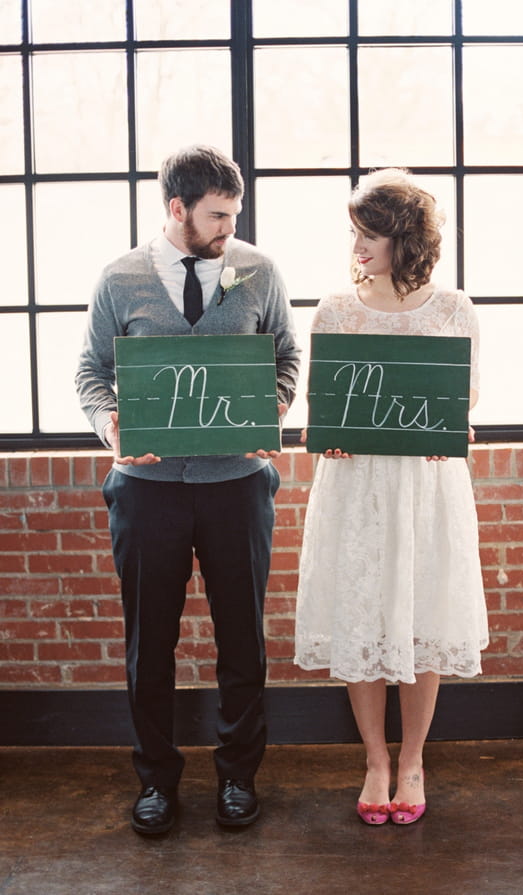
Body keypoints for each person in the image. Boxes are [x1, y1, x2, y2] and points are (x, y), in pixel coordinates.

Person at [76, 144, 300, 834]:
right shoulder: (119, 278)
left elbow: (288, 355)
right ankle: (156, 782)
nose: (230, 228)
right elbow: (90, 371)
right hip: (146, 490)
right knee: (150, 642)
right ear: (178, 209)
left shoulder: (258, 271)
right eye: (218, 216)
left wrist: (277, 406)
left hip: (238, 484)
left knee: (243, 639)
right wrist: (108, 424)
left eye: (233, 215)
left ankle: (238, 775)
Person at [294, 168, 488, 826]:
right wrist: (324, 436)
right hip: (357, 487)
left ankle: (413, 758)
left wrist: (456, 425)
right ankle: (374, 757)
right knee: (362, 616)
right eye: (353, 232)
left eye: (367, 233)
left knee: (421, 618)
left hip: (425, 488)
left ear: (403, 238)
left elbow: (466, 400)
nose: (356, 245)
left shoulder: (455, 307)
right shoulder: (335, 307)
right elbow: (320, 406)